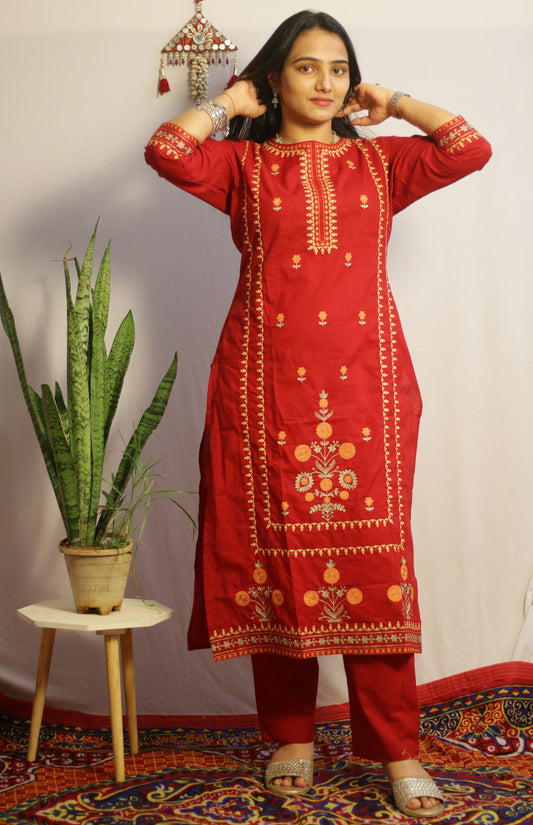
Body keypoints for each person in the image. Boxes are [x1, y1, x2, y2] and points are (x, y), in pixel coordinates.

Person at [145, 9, 491, 817]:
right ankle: (291, 736)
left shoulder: (382, 166)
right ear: (275, 80)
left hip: (367, 390)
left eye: (339, 68)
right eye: (307, 67)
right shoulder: (241, 167)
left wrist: (393, 99)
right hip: (261, 388)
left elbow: (468, 146)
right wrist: (228, 104)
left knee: (376, 565)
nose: (327, 81)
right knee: (271, 561)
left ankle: (397, 749)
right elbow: (166, 151)